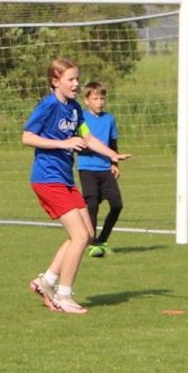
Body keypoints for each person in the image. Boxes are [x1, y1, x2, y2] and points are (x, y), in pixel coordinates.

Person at [21, 57, 126, 315]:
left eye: (77, 78)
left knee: (87, 233)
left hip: (64, 179)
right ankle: (64, 295)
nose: (77, 83)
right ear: (55, 81)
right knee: (79, 236)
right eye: (71, 79)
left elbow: (87, 138)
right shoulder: (48, 105)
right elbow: (27, 137)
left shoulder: (76, 108)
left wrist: (111, 155)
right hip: (47, 179)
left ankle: (46, 282)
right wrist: (63, 143)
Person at [77, 80, 130, 258]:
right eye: (95, 99)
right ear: (86, 100)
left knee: (117, 204)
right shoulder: (81, 119)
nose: (99, 102)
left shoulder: (109, 119)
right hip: (87, 168)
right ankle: (92, 243)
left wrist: (114, 163)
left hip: (105, 169)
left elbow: (113, 143)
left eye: (102, 99)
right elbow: (80, 145)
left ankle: (102, 239)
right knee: (92, 205)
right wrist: (94, 148)